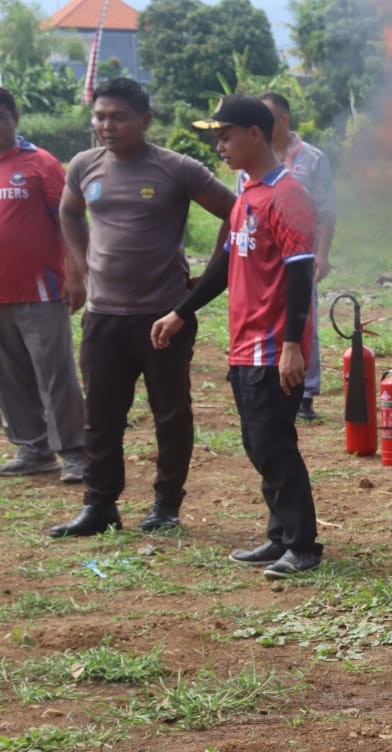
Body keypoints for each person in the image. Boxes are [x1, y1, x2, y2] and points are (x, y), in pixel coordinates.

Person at [51, 77, 236, 538]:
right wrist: (79, 267)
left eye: (118, 117)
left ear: (145, 121)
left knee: (170, 413)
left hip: (163, 317)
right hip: (104, 316)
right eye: (99, 117)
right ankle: (99, 506)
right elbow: (69, 213)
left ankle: (166, 505)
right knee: (102, 416)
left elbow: (237, 213)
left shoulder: (177, 168)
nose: (106, 126)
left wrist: (206, 279)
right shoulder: (83, 166)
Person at [150, 96, 323, 580]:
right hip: (245, 344)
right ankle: (279, 537)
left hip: (273, 347)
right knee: (257, 442)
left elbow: (300, 275)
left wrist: (292, 345)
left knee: (273, 444)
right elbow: (224, 265)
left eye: (225, 135)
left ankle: (302, 546)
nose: (219, 145)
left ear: (253, 133)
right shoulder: (246, 193)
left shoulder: (287, 196)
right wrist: (180, 312)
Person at [0, 86, 86, 482]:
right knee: (9, 375)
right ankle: (33, 448)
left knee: (55, 375)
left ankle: (73, 451)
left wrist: (75, 273)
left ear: (14, 118)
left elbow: (66, 220)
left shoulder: (41, 164)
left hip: (41, 291)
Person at [236, 92, 336, 422]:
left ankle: (305, 390)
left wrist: (321, 254)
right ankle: (264, 377)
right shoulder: (247, 161)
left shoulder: (312, 158)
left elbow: (326, 209)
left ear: (283, 120)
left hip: (298, 252)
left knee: (303, 316)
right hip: (261, 257)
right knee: (262, 316)